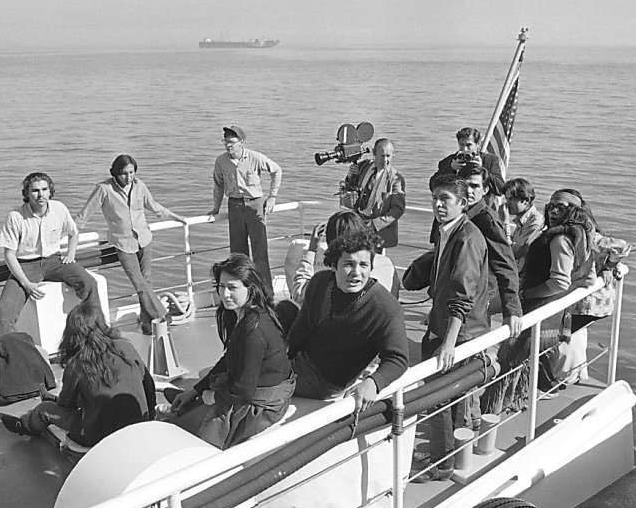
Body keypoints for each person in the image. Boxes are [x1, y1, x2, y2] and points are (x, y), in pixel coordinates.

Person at [402, 174, 495, 482]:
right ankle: (448, 456)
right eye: (435, 198)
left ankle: (440, 464)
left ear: (463, 203)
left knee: (439, 396)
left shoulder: (467, 239)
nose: (438, 205)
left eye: (445, 199)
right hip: (444, 326)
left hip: (460, 333)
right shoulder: (448, 233)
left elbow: (462, 294)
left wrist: (449, 343)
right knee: (446, 398)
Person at [170, 254, 294, 449]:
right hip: (250, 391)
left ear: (250, 289)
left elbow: (243, 392)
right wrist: (196, 390)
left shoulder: (253, 330)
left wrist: (211, 397)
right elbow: (229, 359)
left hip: (261, 405)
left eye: (232, 288)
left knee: (180, 429)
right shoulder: (245, 316)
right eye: (221, 286)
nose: (225, 294)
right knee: (187, 410)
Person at [0, 303, 156, 447]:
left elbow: (67, 405)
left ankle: (24, 426)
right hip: (139, 426)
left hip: (100, 437)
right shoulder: (126, 347)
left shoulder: (77, 364)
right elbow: (148, 384)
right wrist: (150, 419)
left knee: (44, 410)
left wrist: (54, 402)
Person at [287, 231, 410, 412]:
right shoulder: (320, 283)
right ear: (334, 265)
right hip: (299, 363)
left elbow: (398, 358)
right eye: (348, 264)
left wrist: (374, 382)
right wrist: (282, 358)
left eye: (363, 265)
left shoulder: (385, 307)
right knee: (283, 310)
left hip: (325, 382)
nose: (356, 273)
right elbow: (301, 328)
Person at [76, 154, 187, 335]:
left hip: (144, 238)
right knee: (140, 284)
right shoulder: (103, 189)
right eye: (124, 173)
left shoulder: (139, 185)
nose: (128, 177)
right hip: (123, 243)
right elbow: (84, 215)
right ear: (115, 173)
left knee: (147, 281)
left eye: (131, 172)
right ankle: (163, 316)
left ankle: (146, 323)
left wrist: (176, 217)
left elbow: (153, 205)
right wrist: (68, 235)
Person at [0, 172, 96, 338]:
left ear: (50, 191)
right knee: (4, 311)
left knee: (89, 283)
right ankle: (5, 357)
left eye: (44, 189)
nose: (40, 195)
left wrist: (71, 253)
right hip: (26, 265)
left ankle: (95, 332)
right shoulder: (15, 217)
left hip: (55, 261)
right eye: (35, 190)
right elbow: (9, 255)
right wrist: (26, 284)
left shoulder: (59, 209)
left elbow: (73, 233)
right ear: (27, 193)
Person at [518, 188, 599, 388]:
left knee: (527, 348)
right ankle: (548, 383)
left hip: (545, 305)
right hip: (560, 307)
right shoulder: (585, 234)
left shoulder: (560, 239)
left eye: (560, 208)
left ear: (573, 211)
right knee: (548, 351)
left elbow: (559, 282)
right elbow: (589, 276)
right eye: (551, 206)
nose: (553, 211)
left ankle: (543, 387)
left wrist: (527, 293)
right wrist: (577, 284)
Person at [207, 126, 282, 294]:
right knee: (238, 254)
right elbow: (218, 185)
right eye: (225, 142)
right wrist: (216, 207)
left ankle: (266, 293)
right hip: (234, 206)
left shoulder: (255, 157)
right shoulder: (221, 161)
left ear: (241, 143)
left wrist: (272, 197)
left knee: (260, 252)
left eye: (232, 142)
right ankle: (243, 292)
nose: (228, 146)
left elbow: (277, 170)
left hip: (255, 205)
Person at [456, 162, 523, 336]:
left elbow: (506, 265)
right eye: (464, 185)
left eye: (475, 186)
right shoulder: (454, 215)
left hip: (478, 297)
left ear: (485, 190)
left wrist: (512, 310)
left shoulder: (487, 222)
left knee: (469, 343)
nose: (469, 191)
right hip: (454, 292)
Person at [341, 138, 406, 250]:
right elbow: (349, 188)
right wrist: (350, 176)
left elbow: (398, 209)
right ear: (374, 153)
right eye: (382, 156)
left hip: (378, 232)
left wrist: (375, 224)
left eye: (388, 156)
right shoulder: (363, 166)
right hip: (357, 224)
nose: (385, 160)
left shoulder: (396, 179)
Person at [431, 127, 506, 197]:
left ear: (478, 145)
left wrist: (482, 169)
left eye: (469, 145)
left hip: (481, 206)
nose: (465, 149)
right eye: (461, 145)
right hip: (457, 205)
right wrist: (450, 170)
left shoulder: (490, 160)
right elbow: (433, 186)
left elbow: (501, 189)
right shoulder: (448, 161)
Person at [504, 177, 545, 271]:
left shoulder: (535, 222)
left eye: (511, 199)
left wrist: (505, 222)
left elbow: (514, 253)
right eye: (507, 199)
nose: (507, 203)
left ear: (525, 201)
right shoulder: (521, 220)